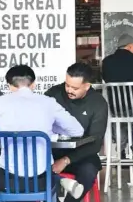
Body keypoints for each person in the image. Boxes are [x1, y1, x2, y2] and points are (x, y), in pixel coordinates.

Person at [0, 65, 85, 199]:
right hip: (42, 182)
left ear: (9, 86)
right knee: (48, 173)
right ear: (33, 84)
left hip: (9, 183)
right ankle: (60, 180)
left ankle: (60, 180)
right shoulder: (48, 102)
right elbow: (77, 131)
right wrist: (50, 127)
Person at [45, 62, 108, 202]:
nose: (69, 90)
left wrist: (66, 160)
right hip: (51, 152)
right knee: (33, 169)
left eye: (75, 88)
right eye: (67, 85)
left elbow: (96, 144)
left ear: (87, 86)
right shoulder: (53, 94)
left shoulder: (98, 103)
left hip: (82, 155)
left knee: (88, 172)